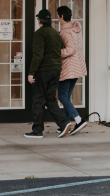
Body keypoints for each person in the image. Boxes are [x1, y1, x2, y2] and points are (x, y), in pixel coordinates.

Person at [25, 8, 75, 139]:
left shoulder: (39, 34)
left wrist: (31, 73)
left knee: (38, 100)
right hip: (56, 70)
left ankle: (37, 131)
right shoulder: (55, 33)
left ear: (39, 20)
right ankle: (64, 123)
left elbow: (37, 55)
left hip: (44, 71)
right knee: (50, 99)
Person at [57, 5, 89, 135]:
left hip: (69, 67)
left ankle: (78, 119)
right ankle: (65, 124)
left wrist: (55, 52)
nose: (58, 18)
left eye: (58, 16)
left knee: (62, 96)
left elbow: (70, 50)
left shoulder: (65, 32)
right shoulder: (76, 30)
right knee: (66, 97)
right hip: (78, 66)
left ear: (62, 17)